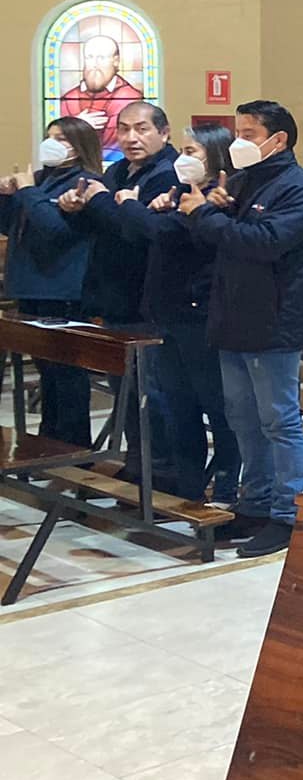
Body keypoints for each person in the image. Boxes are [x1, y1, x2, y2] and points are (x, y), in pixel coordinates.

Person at [185, 100, 303, 559]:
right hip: (233, 318)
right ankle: (255, 503)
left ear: (278, 139)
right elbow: (217, 241)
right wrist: (211, 208)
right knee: (242, 419)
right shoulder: (242, 181)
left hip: (274, 323)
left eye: (248, 134)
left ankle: (286, 514)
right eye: (238, 133)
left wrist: (206, 215)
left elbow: (265, 243)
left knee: (278, 421)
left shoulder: (300, 189)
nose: (238, 143)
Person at [121, 125, 243, 505]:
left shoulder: (218, 200)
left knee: (215, 405)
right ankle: (188, 486)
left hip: (199, 315)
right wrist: (155, 207)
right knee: (178, 405)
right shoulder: (178, 195)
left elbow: (166, 234)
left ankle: (226, 484)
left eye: (192, 152)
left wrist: (130, 204)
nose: (182, 158)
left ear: (215, 157)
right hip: (166, 313)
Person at [60, 103, 182, 478]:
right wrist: (74, 208)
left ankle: (160, 470)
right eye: (124, 129)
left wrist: (98, 200)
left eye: (142, 129)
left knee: (152, 393)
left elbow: (135, 232)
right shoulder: (116, 171)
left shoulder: (168, 175)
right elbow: (100, 227)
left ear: (164, 132)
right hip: (114, 297)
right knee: (127, 392)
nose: (131, 138)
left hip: (148, 299)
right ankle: (138, 462)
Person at [0, 117, 102, 445]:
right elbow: (12, 225)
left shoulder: (85, 182)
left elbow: (55, 230)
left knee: (66, 371)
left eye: (61, 138)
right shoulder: (42, 178)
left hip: (62, 287)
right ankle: (49, 439)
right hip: (30, 284)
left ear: (79, 146)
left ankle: (74, 444)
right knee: (47, 371)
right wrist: (5, 196)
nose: (52, 143)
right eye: (49, 136)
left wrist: (28, 191)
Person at [58, 35, 144, 150]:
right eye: (89, 57)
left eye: (101, 58)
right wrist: (77, 125)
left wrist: (78, 129)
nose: (95, 64)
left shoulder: (129, 98)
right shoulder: (69, 99)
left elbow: (114, 145)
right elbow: (56, 142)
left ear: (116, 61)